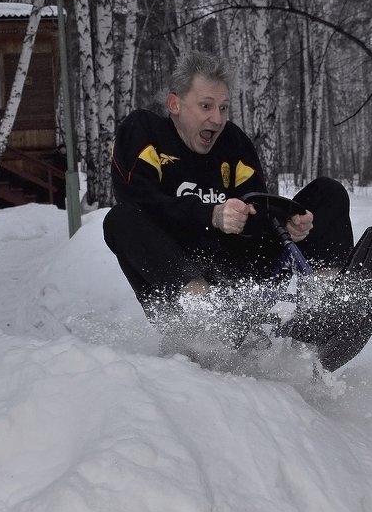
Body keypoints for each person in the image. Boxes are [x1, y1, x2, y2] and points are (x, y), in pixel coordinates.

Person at [103, 49, 355, 348]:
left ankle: (325, 303)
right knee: (120, 219)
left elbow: (255, 206)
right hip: (180, 276)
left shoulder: (233, 141)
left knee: (328, 192)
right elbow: (139, 200)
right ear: (175, 104)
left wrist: (288, 223)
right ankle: (203, 314)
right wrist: (210, 213)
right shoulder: (144, 131)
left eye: (223, 108)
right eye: (206, 106)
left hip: (241, 278)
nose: (217, 118)